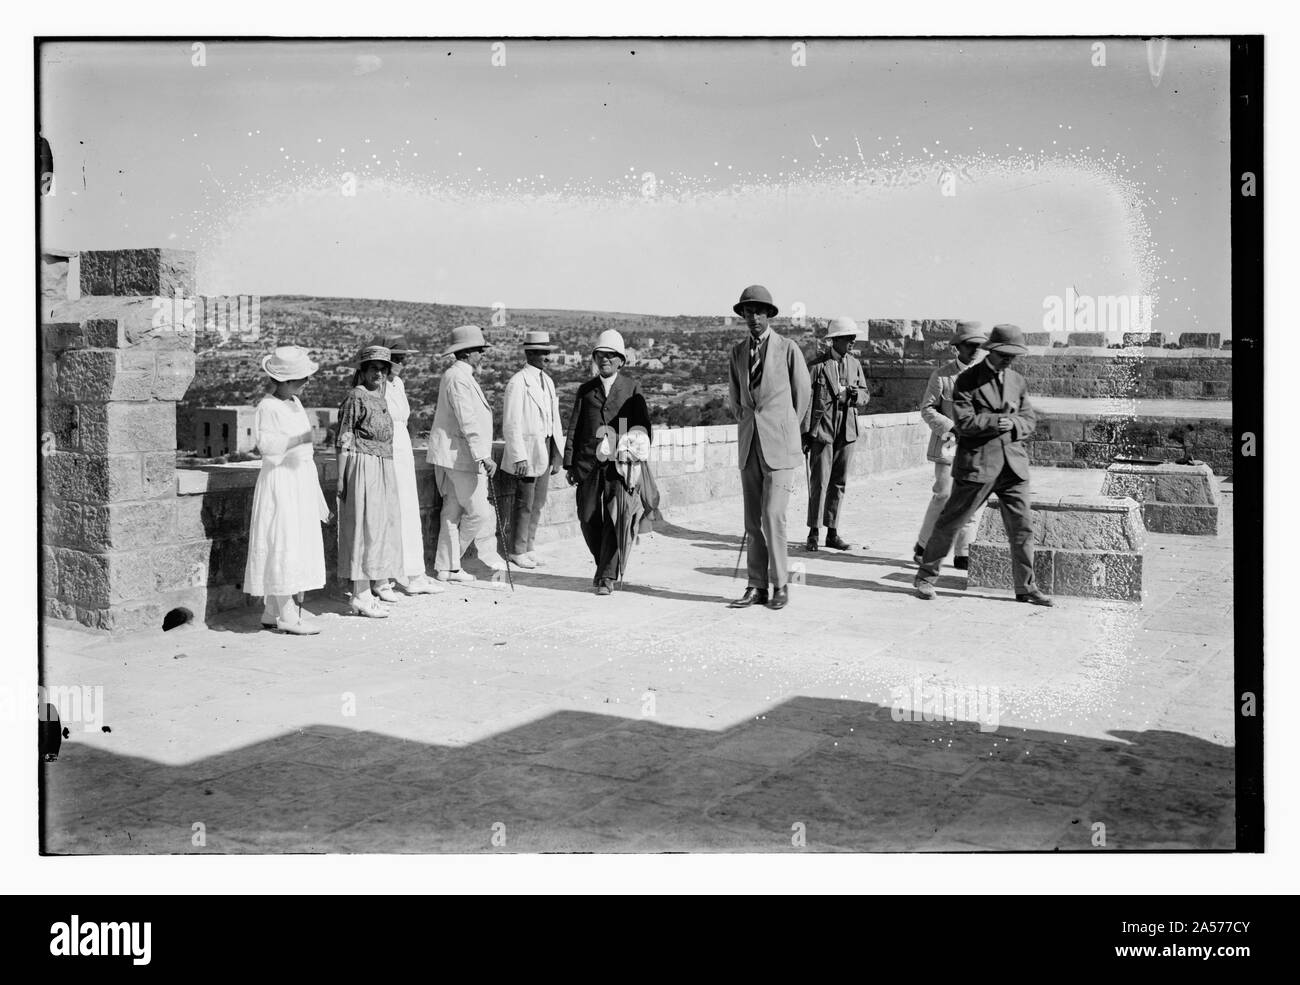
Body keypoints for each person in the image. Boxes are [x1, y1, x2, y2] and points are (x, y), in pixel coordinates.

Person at [914, 324, 1054, 605]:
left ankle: (1026, 587)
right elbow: (964, 422)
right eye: (1005, 354)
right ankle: (926, 577)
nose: (1010, 360)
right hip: (977, 465)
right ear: (993, 350)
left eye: (1014, 355)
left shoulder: (1017, 381)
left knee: (1022, 528)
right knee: (951, 522)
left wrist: (1011, 423)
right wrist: (996, 422)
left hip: (1013, 467)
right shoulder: (967, 381)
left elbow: (1029, 420)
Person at [727, 285, 812, 611]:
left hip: (780, 447)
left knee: (773, 515)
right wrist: (752, 425)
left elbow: (802, 396)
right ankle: (756, 586)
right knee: (752, 522)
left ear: (769, 314)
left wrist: (786, 429)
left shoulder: (788, 349)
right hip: (750, 446)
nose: (754, 318)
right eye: (748, 312)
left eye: (759, 311)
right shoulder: (737, 352)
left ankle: (781, 585)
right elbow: (736, 401)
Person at [244, 345, 330, 635]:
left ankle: (272, 610)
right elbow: (268, 448)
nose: (305, 383)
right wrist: (301, 439)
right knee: (283, 540)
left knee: (296, 540)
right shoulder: (267, 407)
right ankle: (286, 613)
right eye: (300, 379)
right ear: (283, 380)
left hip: (299, 479)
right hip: (282, 481)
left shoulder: (294, 402)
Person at [563, 329, 656, 595]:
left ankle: (606, 576)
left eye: (610, 356)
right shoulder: (585, 390)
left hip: (619, 466)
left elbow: (643, 426)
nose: (604, 360)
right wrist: (570, 463)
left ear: (621, 361)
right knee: (588, 517)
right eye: (600, 355)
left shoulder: (631, 389)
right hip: (588, 465)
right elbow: (574, 427)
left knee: (616, 519)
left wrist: (628, 444)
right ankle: (603, 565)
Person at [366, 334, 444, 596]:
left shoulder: (397, 383)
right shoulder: (376, 387)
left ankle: (413, 573)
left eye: (402, 359)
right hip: (387, 450)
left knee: (407, 512)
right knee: (389, 514)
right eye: (396, 359)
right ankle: (386, 577)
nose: (401, 364)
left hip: (402, 449)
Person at [426, 325, 505, 582]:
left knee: (452, 512)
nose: (482, 355)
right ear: (468, 352)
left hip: (454, 455)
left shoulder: (458, 375)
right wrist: (484, 455)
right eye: (479, 351)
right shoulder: (458, 377)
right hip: (460, 456)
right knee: (479, 512)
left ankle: (445, 568)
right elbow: (467, 420)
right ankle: (452, 562)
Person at [913, 323, 990, 569]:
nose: (975, 350)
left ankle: (963, 551)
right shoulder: (942, 376)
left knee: (969, 499)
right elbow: (927, 408)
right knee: (943, 494)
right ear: (957, 348)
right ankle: (923, 545)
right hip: (948, 444)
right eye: (970, 346)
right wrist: (952, 427)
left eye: (979, 346)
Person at [336, 344, 403, 617]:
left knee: (381, 526)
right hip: (363, 466)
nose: (379, 373)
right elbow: (343, 439)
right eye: (373, 368)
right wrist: (341, 478)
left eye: (383, 368)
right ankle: (360, 593)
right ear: (362, 371)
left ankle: (376, 582)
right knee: (364, 527)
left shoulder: (382, 398)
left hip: (384, 466)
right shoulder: (356, 397)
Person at [803, 316, 870, 551]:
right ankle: (813, 532)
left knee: (839, 483)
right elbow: (805, 403)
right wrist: (805, 435)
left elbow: (865, 395)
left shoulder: (855, 365)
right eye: (847, 338)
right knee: (819, 482)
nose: (852, 341)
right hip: (823, 432)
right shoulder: (817, 366)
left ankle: (833, 532)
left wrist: (853, 396)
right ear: (834, 341)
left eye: (853, 337)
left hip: (847, 431)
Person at [502, 330, 566, 569]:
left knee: (538, 502)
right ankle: (517, 550)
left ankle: (529, 546)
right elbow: (511, 423)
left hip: (546, 448)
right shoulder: (518, 383)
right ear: (529, 353)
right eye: (541, 353)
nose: (546, 357)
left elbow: (554, 420)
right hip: (528, 451)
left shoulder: (547, 381)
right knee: (524, 502)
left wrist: (557, 454)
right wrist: (518, 456)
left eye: (547, 353)